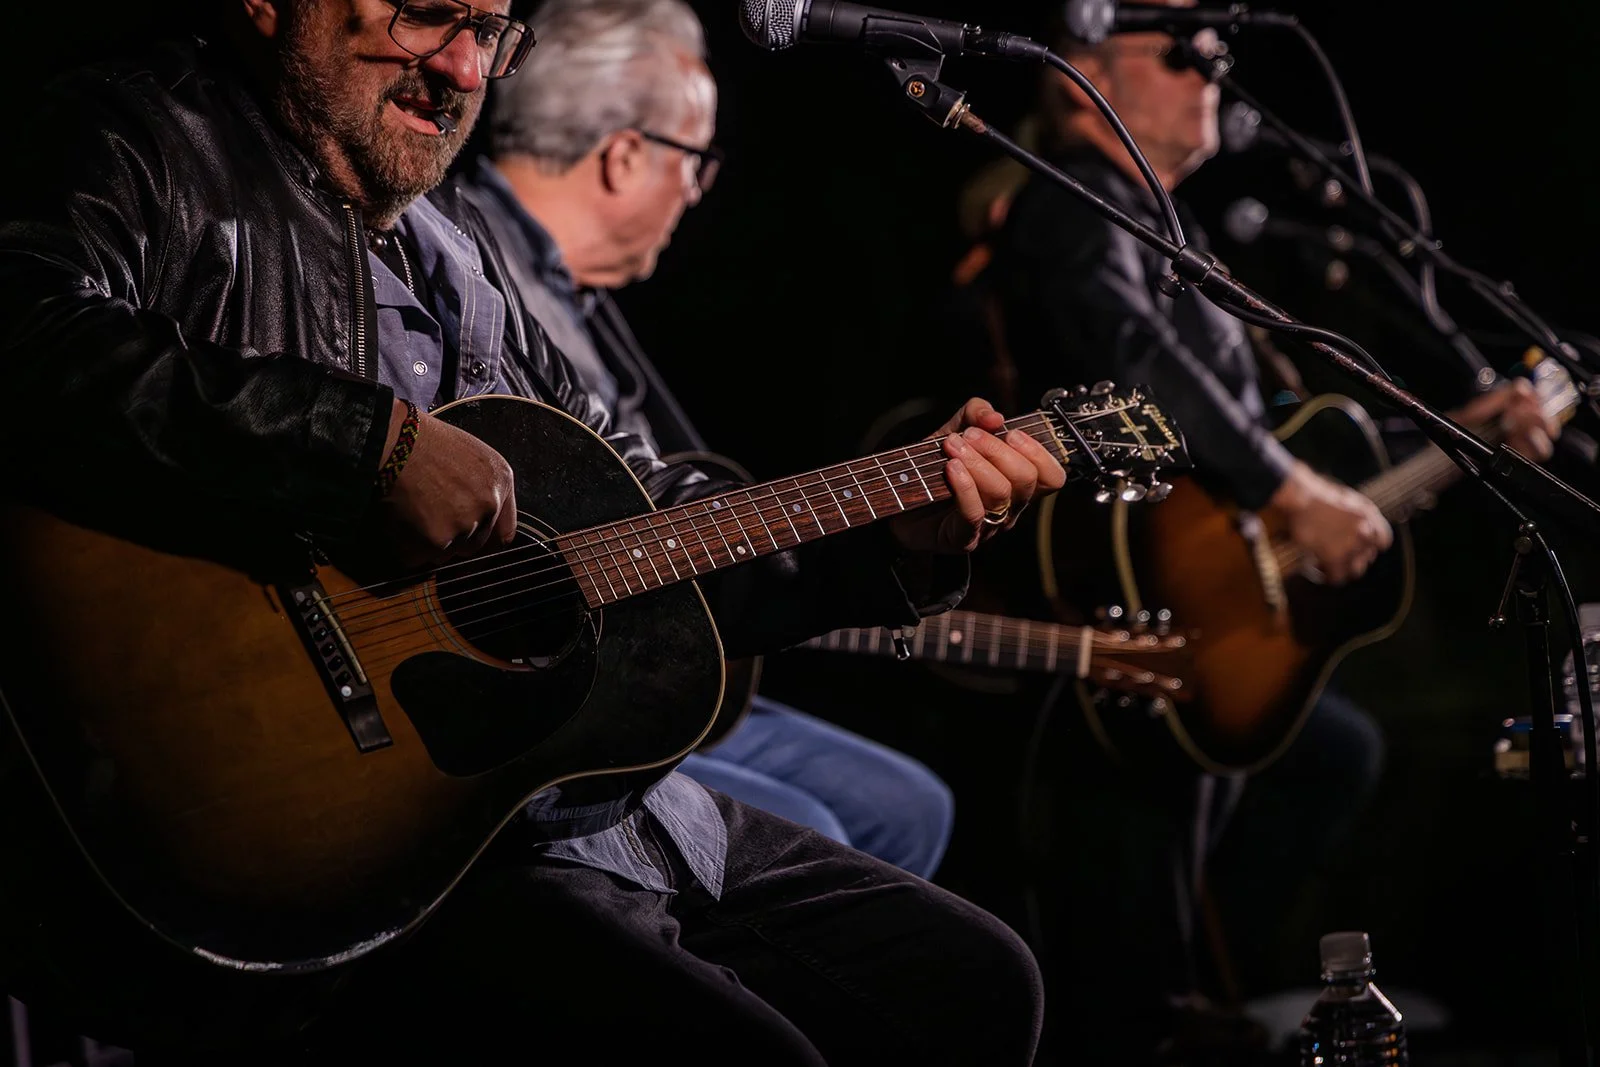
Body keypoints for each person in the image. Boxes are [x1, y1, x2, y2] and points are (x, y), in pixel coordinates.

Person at [0, 1, 1066, 1063]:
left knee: (973, 981)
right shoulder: (138, 133)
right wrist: (368, 445)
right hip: (347, 834)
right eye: (428, 17)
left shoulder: (454, 248)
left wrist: (889, 538)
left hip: (557, 812)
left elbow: (637, 519)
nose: (465, 71)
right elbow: (22, 335)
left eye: (492, 33)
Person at [973, 1, 1562, 1058]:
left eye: (1216, 48)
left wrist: (1459, 430)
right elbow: (1141, 368)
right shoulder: (1070, 206)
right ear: (1079, 78)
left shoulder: (1163, 222)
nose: (1211, 64)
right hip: (1122, 597)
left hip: (1207, 597)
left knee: (1302, 767)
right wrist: (1289, 494)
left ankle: (1212, 999)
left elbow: (1268, 425)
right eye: (1177, 49)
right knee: (1130, 897)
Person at [456, 0, 955, 881]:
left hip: (646, 660)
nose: (697, 191)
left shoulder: (574, 296)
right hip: (563, 690)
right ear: (624, 156)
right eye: (698, 160)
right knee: (826, 824)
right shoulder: (478, 266)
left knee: (907, 803)